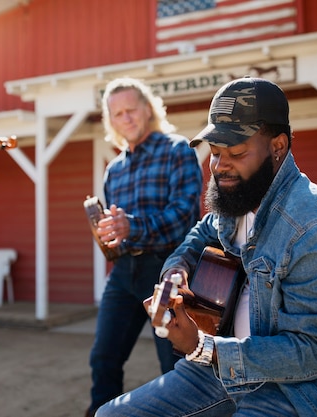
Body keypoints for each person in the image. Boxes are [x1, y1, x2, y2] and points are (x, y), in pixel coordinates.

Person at [96, 77, 317, 416]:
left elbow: (315, 353)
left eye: (236, 152)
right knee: (111, 414)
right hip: (224, 374)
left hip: (303, 392)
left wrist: (205, 348)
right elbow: (200, 233)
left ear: (277, 147)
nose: (219, 167)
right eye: (215, 153)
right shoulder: (239, 202)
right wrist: (177, 269)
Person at [86, 77, 203, 416]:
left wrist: (131, 225)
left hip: (167, 270)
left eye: (131, 110)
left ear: (148, 109)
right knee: (103, 358)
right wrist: (109, 233)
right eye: (117, 113)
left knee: (175, 365)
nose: (126, 118)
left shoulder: (177, 149)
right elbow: (121, 232)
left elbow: (183, 218)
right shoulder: (114, 170)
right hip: (124, 272)